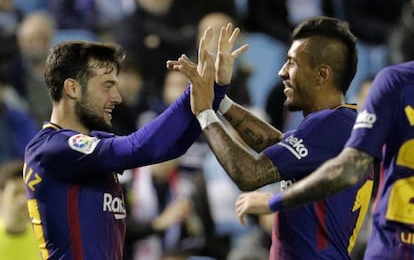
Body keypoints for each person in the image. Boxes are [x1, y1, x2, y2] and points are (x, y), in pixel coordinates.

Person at [23, 25, 247, 259]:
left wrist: (214, 89)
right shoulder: (51, 149)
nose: (117, 97)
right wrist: (193, 89)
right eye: (107, 85)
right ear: (72, 88)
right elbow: (139, 147)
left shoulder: (92, 145)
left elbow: (171, 147)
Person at [169, 16, 374, 259]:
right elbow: (276, 143)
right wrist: (218, 99)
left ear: (321, 75)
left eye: (292, 63)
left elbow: (251, 174)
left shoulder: (331, 126)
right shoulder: (336, 125)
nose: (281, 72)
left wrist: (204, 112)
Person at [236, 60, 414, 259]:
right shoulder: (343, 129)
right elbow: (279, 143)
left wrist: (274, 201)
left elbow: (344, 171)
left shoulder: (394, 85)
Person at [0, 159, 40, 259]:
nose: (22, 200)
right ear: (1, 194)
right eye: (16, 193)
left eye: (26, 193)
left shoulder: (42, 240)